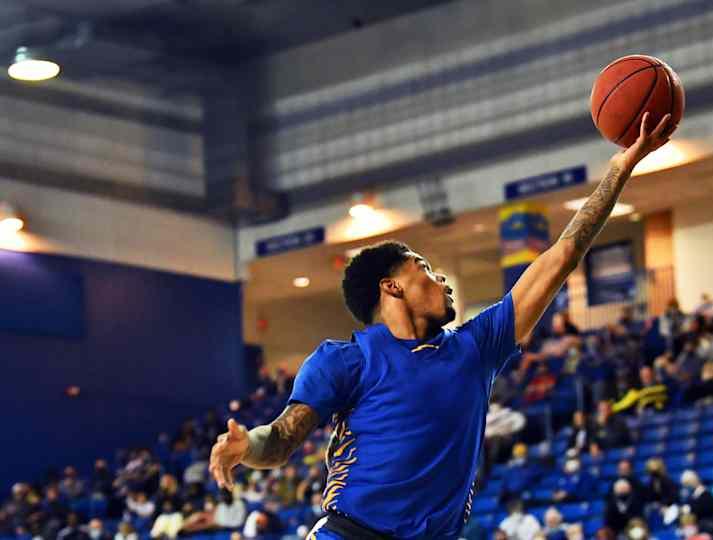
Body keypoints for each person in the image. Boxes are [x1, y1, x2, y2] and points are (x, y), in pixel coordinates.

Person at [208, 113, 676, 539]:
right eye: (425, 268)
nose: (442, 281)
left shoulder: (477, 346)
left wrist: (619, 169)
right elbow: (283, 438)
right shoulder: (345, 359)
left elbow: (563, 255)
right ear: (391, 288)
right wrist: (247, 443)